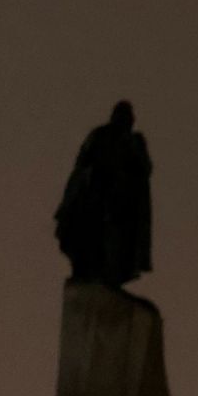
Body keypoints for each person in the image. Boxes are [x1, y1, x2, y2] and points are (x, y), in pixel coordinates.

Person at [54, 101, 152, 287]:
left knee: (116, 243)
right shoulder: (100, 135)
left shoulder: (134, 142)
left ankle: (110, 276)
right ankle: (88, 272)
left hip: (121, 204)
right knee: (89, 236)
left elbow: (144, 169)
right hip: (95, 196)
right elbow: (82, 163)